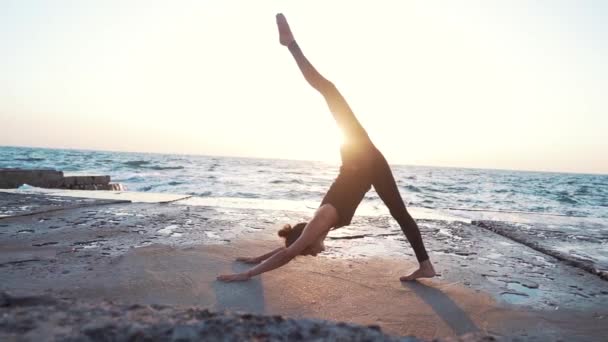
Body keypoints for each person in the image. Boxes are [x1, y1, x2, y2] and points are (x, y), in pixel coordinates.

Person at [217, 13, 435, 282]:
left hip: (359, 155)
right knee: (399, 212)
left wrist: (248, 274)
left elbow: (290, 253)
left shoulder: (320, 222)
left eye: (309, 253)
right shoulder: (317, 228)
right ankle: (426, 266)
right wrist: (257, 257)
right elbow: (292, 246)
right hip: (368, 165)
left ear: (308, 240)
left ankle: (290, 44)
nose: (314, 255)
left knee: (328, 91)